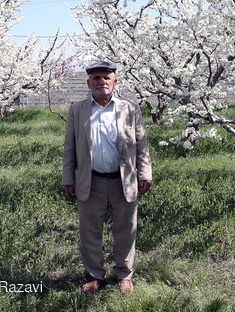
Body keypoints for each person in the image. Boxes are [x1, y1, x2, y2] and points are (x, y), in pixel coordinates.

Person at [62, 61, 152, 295]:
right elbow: (69, 147)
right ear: (89, 83)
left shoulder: (130, 108)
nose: (101, 82)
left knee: (126, 229)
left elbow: (141, 144)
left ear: (115, 82)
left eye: (106, 78)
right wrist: (68, 179)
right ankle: (95, 275)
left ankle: (123, 274)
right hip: (91, 180)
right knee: (90, 230)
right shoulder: (77, 110)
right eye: (97, 79)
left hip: (124, 179)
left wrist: (145, 172)